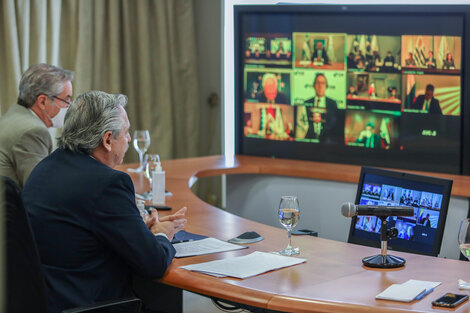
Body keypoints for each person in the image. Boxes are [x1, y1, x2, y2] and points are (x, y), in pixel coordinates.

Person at [22, 91, 187, 313]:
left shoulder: (44, 168)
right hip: (90, 303)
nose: (128, 139)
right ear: (108, 140)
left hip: (46, 299)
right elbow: (153, 264)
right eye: (126, 133)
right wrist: (161, 234)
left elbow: (80, 234)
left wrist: (138, 231)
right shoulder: (109, 183)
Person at [0, 63, 73, 187]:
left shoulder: (15, 113)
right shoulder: (32, 131)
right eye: (66, 100)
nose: (69, 106)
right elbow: (41, 191)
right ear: (42, 101)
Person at [303, 73, 338, 142]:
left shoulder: (332, 104)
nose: (320, 86)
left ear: (326, 86)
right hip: (309, 142)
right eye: (318, 83)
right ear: (314, 86)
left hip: (327, 142)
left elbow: (334, 126)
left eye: (323, 83)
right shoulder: (306, 103)